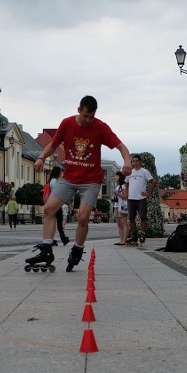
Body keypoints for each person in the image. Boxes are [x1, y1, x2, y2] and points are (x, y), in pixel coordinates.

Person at [29, 95, 132, 271]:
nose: (88, 120)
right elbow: (53, 145)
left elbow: (121, 147)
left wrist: (127, 162)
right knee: (48, 208)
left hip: (91, 180)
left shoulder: (100, 127)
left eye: (91, 116)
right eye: (85, 116)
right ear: (79, 110)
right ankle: (46, 249)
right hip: (69, 178)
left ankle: (77, 249)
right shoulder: (67, 123)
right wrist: (40, 157)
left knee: (83, 217)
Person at [125, 154, 156, 245]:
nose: (135, 163)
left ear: (140, 162)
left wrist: (149, 192)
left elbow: (153, 182)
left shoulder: (144, 172)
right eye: (134, 161)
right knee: (131, 218)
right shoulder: (130, 172)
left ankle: (142, 234)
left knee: (143, 217)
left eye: (137, 161)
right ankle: (134, 235)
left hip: (141, 198)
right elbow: (126, 183)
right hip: (131, 198)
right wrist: (127, 193)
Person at [46, 166, 70, 245]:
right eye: (61, 172)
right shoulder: (54, 181)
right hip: (56, 204)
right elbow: (57, 192)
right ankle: (59, 239)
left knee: (58, 223)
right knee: (58, 223)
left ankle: (59, 239)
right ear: (58, 173)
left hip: (54, 204)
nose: (62, 173)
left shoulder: (53, 180)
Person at [113, 172, 128, 245]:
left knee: (124, 223)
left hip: (122, 206)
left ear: (120, 177)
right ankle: (121, 240)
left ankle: (124, 240)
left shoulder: (124, 186)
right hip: (116, 205)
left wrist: (117, 193)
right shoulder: (117, 186)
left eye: (116, 176)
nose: (115, 177)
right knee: (119, 224)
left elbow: (125, 197)